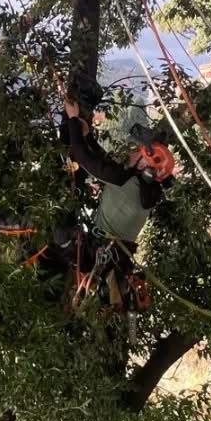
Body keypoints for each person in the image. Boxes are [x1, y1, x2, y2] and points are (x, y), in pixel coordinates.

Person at [59, 97, 176, 314]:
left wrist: (73, 119)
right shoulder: (148, 191)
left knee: (58, 228)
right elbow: (108, 166)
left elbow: (83, 157)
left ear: (145, 166)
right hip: (114, 261)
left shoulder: (124, 181)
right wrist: (89, 137)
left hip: (95, 256)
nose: (132, 152)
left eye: (137, 152)